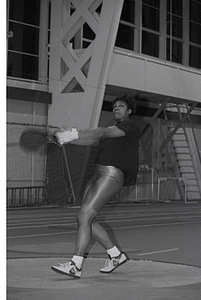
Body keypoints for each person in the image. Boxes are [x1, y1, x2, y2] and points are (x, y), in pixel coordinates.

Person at [51, 95, 140, 279]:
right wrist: (65, 138)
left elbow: (102, 133)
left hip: (111, 174)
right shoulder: (110, 130)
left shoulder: (129, 126)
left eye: (121, 106)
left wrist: (72, 134)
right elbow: (91, 139)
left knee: (84, 216)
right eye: (115, 106)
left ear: (129, 111)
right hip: (98, 174)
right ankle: (115, 255)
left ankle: (75, 265)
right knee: (86, 219)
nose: (116, 108)